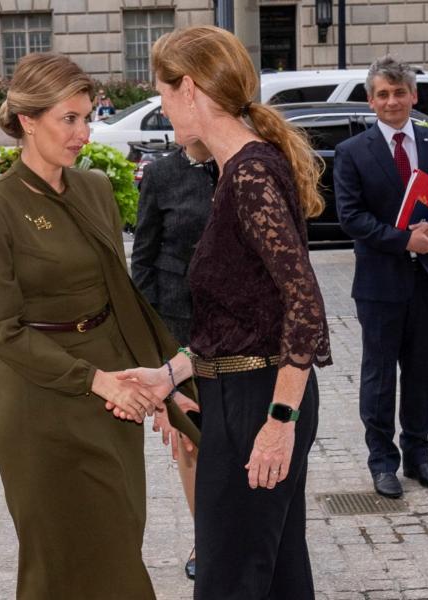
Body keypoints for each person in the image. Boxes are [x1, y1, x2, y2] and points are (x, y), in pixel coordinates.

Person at [0, 52, 196, 600]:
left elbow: (123, 295)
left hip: (115, 395)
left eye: (87, 117)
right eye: (68, 119)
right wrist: (100, 381)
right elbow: (4, 331)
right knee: (59, 566)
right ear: (27, 119)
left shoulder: (94, 188)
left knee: (118, 539)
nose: (83, 132)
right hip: (42, 404)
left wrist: (166, 384)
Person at [122, 24, 333, 600]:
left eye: (163, 94)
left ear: (188, 88)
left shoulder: (249, 173)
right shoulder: (239, 169)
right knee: (278, 579)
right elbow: (247, 314)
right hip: (242, 395)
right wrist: (168, 374)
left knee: (230, 582)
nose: (162, 109)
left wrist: (279, 423)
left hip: (258, 405)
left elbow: (305, 307)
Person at [333, 56, 428, 500]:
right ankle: (382, 462)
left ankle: (418, 457)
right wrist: (403, 241)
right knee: (379, 376)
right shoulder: (352, 152)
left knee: (421, 374)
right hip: (380, 283)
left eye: (399, 92)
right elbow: (350, 217)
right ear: (371, 101)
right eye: (383, 94)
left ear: (414, 96)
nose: (392, 101)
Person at [131, 138, 218, 581]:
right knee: (192, 440)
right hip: (177, 328)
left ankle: (240, 533)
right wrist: (151, 346)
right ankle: (207, 540)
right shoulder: (162, 174)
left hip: (239, 333)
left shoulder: (242, 163)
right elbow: (142, 262)